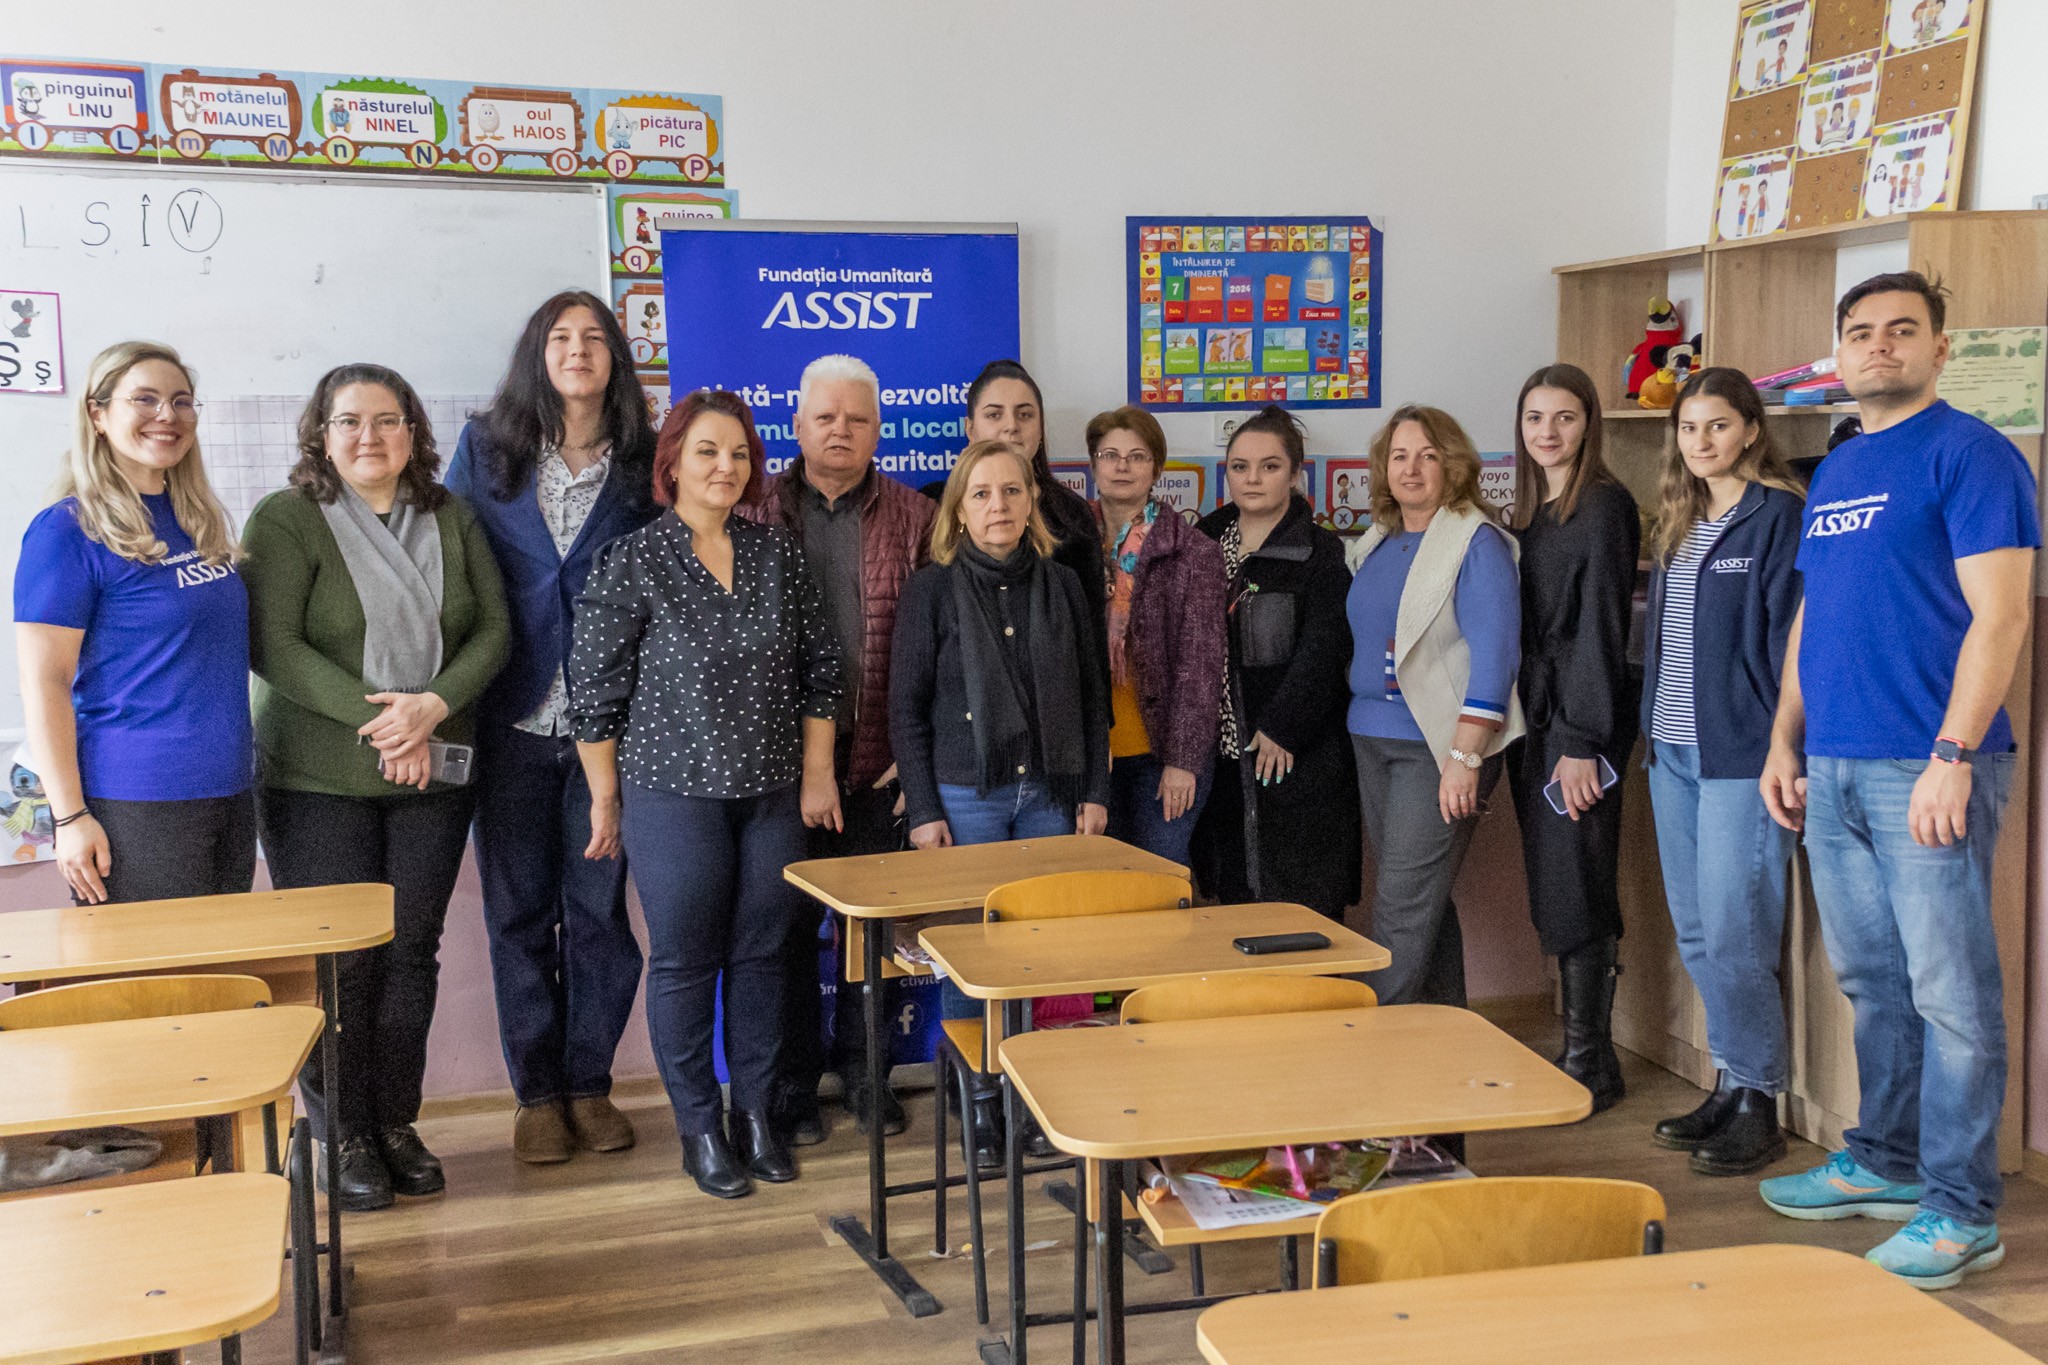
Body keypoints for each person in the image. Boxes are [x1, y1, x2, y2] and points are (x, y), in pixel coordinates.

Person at [1758, 273, 2036, 1289]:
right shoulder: (1837, 469)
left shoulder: (1970, 455)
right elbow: (1810, 620)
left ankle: (1961, 1213)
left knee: (1950, 998)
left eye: (1899, 332)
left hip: (1924, 767)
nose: (1877, 348)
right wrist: (1784, 741)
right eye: (1859, 333)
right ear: (1838, 354)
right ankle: (1883, 1161)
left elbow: (2001, 618)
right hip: (1828, 763)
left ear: (1937, 348)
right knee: (1872, 984)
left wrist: (1950, 756)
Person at [243, 364, 510, 1212]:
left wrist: (430, 707)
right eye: (350, 421)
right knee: (340, 968)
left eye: (388, 420)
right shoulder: (286, 520)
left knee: (409, 959)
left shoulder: (450, 515)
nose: (370, 437)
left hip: (433, 771)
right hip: (319, 778)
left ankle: (396, 1121)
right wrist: (387, 722)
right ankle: (339, 1132)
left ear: (414, 432)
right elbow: (276, 647)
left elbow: (495, 628)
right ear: (321, 433)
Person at [570, 389, 842, 1201]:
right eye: (708, 452)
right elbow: (594, 694)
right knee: (687, 963)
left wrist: (819, 772)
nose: (726, 467)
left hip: (772, 794)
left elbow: (822, 672)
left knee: (763, 958)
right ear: (674, 464)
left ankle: (756, 1114)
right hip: (671, 794)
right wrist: (604, 798)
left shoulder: (777, 554)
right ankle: (700, 1127)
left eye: (739, 454)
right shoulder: (632, 559)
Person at [445, 291, 659, 1168]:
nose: (578, 350)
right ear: (538, 352)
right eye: (561, 337)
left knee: (600, 914)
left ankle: (589, 1084)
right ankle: (536, 1093)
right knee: (519, 915)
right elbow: (454, 567)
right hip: (510, 721)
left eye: (595, 338)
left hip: (612, 729)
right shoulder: (485, 448)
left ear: (615, 357)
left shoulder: (649, 460)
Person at [890, 438, 1111, 1165]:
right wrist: (923, 810)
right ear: (960, 507)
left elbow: (1092, 698)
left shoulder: (1065, 586)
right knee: (972, 960)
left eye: (1012, 491)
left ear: (1031, 502)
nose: (999, 506)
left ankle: (1030, 1103)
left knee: (1039, 960)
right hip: (966, 798)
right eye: (982, 493)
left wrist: (1095, 794)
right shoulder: (931, 589)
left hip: (1051, 793)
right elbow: (907, 710)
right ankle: (980, 1105)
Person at [739, 353, 934, 1145]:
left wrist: (912, 755)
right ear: (798, 424)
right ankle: (787, 1085)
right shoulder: (750, 511)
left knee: (876, 930)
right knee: (778, 931)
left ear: (879, 430)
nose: (841, 431)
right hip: (777, 767)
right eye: (826, 417)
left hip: (882, 760)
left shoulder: (917, 517)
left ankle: (866, 1072)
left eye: (857, 418)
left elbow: (939, 646)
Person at [14, 341, 253, 906]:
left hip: (231, 789)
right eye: (143, 399)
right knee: (154, 992)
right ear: (97, 415)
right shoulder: (66, 532)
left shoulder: (197, 520)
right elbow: (45, 684)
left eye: (181, 401)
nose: (166, 415)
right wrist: (69, 816)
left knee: (226, 981)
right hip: (136, 800)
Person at [1640, 368, 1805, 1176]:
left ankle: (1760, 1100)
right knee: (1698, 930)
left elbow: (1786, 650)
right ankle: (1731, 1079)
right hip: (1670, 755)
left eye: (1717, 426)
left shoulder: (1776, 517)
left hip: (1740, 756)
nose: (1701, 442)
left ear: (1749, 430)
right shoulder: (1677, 519)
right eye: (1688, 428)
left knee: (1739, 932)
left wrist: (1787, 747)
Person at [1343, 406, 1521, 1008]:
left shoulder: (1477, 543)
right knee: (1422, 897)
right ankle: (1445, 1035)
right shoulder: (1379, 542)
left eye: (1428, 455)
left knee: (1401, 902)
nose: (1412, 468)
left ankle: (1372, 1041)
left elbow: (1496, 658)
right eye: (1399, 456)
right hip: (1371, 735)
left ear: (1454, 464)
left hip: (1437, 746)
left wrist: (1465, 757)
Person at [1505, 363, 1641, 1114]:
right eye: (1534, 418)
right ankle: (1579, 1047)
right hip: (1541, 719)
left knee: (1579, 880)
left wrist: (1581, 739)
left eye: (1563, 417)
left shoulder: (1603, 506)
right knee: (1557, 885)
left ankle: (1592, 1059)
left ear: (1589, 422)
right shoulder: (1534, 509)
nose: (1548, 432)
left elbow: (1602, 631)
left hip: (1580, 725)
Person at [1191, 406, 1360, 921]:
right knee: (1236, 894)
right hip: (1221, 753)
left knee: (1302, 897)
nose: (1252, 478)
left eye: (1269, 466)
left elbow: (1326, 649)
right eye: (1239, 467)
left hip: (1293, 750)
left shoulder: (1320, 551)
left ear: (1295, 474)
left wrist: (1283, 726)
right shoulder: (1203, 541)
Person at [1086, 404, 1225, 866]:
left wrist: (1183, 761)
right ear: (1093, 466)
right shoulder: (1067, 543)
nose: (1122, 466)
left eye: (1137, 456)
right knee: (1102, 887)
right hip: (1093, 756)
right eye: (1110, 454)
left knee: (1159, 882)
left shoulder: (1193, 552)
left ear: (1157, 469)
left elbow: (1200, 667)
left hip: (1161, 754)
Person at [961, 360, 1109, 681]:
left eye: (1025, 414)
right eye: (994, 414)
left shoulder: (1072, 516)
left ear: (1040, 430)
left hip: (1054, 702)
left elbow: (1092, 638)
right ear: (970, 429)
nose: (1011, 426)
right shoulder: (936, 507)